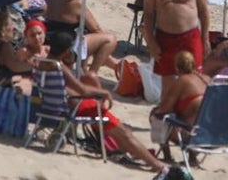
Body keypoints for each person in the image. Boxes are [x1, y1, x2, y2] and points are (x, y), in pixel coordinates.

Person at [42, 32, 166, 173]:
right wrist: (104, 93)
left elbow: (73, 88)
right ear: (65, 51)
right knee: (124, 132)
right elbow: (83, 91)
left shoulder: (41, 62)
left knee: (90, 79)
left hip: (56, 104)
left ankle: (115, 144)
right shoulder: (60, 67)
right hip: (76, 107)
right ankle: (157, 165)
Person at [143, 0, 210, 88]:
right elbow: (148, 14)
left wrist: (205, 39)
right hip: (165, 38)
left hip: (190, 37)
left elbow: (204, 11)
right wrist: (151, 42)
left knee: (193, 80)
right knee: (167, 83)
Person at [43, 0, 119, 75]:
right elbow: (96, 30)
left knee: (85, 36)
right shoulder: (76, 5)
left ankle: (110, 65)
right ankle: (92, 74)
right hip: (68, 50)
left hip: (51, 45)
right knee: (110, 39)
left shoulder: (50, 1)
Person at [151, 50, 209, 154]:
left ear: (177, 67)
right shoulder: (206, 79)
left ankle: (167, 155)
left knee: (156, 115)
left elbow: (164, 109)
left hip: (189, 134)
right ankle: (192, 158)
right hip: (209, 135)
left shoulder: (182, 81)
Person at [0, 7, 34, 92]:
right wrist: (33, 66)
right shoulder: (4, 46)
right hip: (2, 81)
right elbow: (15, 67)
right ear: (3, 29)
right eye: (11, 25)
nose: (13, 28)